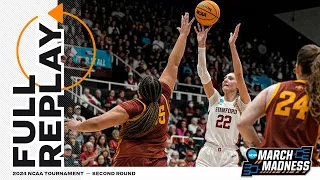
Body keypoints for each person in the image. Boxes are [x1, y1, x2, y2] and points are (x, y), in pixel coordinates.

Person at [65, 13, 195, 167]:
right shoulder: (164, 97)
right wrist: (183, 36)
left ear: (139, 90)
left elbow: (97, 124)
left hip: (130, 162)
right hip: (157, 164)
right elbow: (174, 63)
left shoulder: (133, 107)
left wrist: (76, 125)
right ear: (159, 89)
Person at [237, 44, 320, 166]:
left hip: (270, 166)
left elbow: (242, 123)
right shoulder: (317, 96)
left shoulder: (273, 90)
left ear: (297, 68)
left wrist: (260, 150)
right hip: (303, 167)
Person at [195, 23, 250, 167]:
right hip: (208, 152)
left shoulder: (242, 103)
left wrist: (232, 46)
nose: (226, 79)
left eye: (230, 78)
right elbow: (202, 72)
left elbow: (239, 74)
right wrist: (201, 46)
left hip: (229, 154)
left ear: (238, 85)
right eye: (225, 77)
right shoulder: (215, 99)